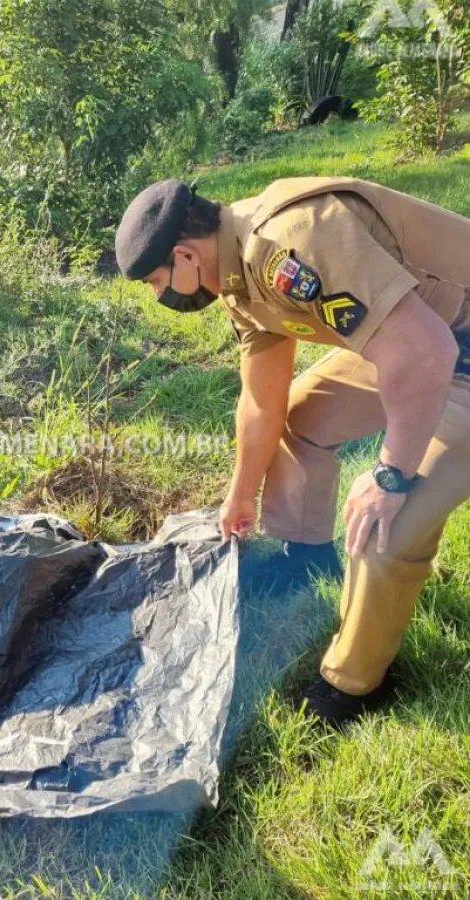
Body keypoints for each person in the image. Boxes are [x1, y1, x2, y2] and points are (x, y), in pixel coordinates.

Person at [114, 176, 470, 725]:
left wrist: (390, 476)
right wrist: (238, 499)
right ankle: (306, 554)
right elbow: (263, 403)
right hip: (420, 335)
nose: (160, 297)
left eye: (157, 282)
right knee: (302, 416)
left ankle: (354, 685)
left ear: (185, 254)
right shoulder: (236, 273)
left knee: (385, 525)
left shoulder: (287, 245)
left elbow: (426, 353)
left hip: (449, 352)